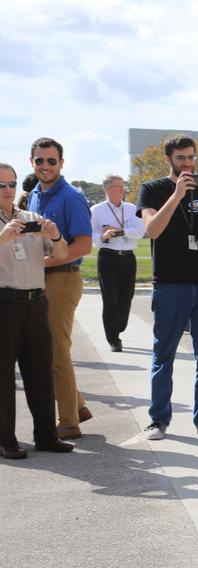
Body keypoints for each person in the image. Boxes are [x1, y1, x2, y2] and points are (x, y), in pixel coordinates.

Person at [137, 135, 198, 441]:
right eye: (181, 158)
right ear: (169, 159)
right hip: (169, 285)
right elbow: (152, 230)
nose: (188, 164)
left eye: (191, 157)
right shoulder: (152, 189)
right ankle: (158, 420)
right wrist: (177, 195)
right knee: (164, 355)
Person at [0, 161, 74, 459]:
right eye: (1, 185)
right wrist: (3, 238)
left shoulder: (31, 217)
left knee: (41, 371)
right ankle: (5, 440)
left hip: (35, 301)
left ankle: (46, 436)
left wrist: (54, 235)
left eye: (11, 184)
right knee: (3, 376)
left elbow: (62, 253)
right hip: (4, 303)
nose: (7, 190)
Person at [26, 138, 93, 440]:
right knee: (45, 349)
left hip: (62, 279)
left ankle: (68, 422)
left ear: (61, 163)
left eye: (51, 161)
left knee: (56, 351)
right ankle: (77, 405)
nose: (45, 166)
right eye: (40, 160)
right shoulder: (34, 196)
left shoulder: (72, 197)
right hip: (39, 279)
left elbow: (84, 245)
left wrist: (44, 262)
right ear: (32, 162)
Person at [89, 175, 145, 353]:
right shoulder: (96, 210)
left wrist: (121, 231)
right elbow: (90, 236)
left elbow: (139, 231)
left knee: (126, 296)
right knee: (110, 299)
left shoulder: (131, 208)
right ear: (108, 189)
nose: (122, 190)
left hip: (128, 258)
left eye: (123, 186)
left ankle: (118, 326)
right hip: (108, 258)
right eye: (118, 186)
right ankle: (113, 339)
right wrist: (103, 236)